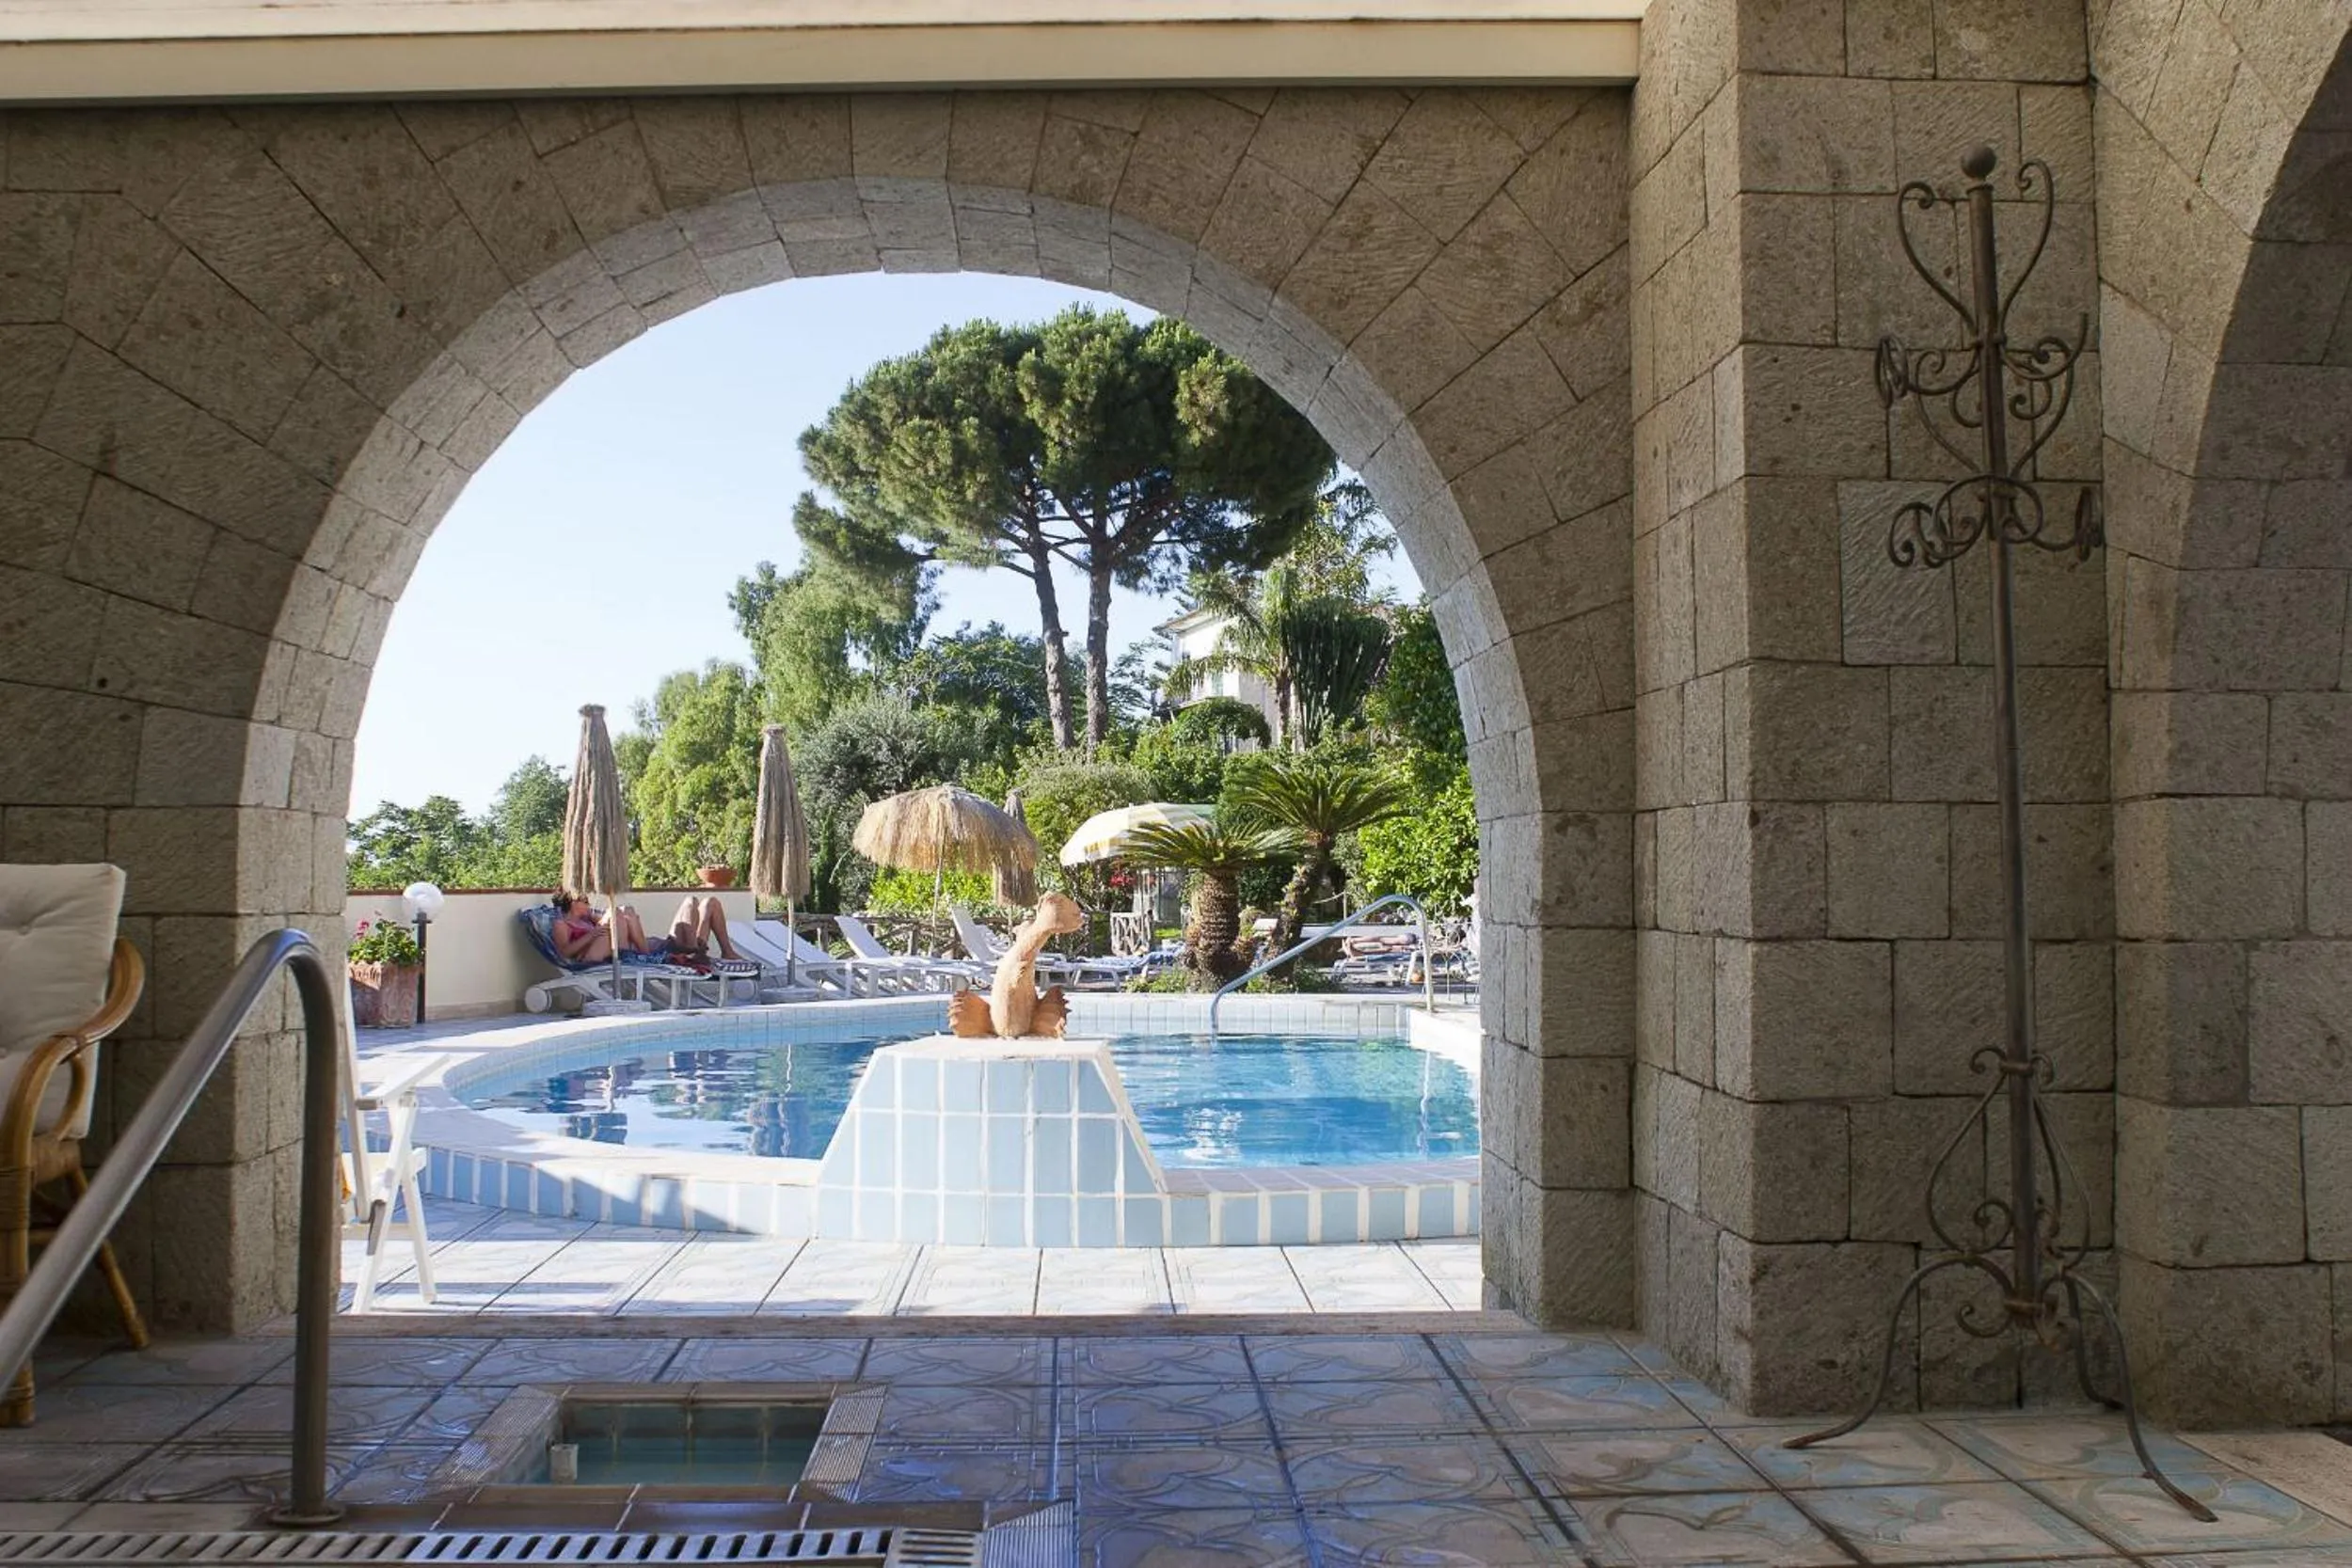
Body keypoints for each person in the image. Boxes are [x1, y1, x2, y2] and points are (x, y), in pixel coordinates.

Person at [550, 890, 660, 964]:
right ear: (573, 903)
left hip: (602, 948)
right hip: (586, 958)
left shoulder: (586, 918)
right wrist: (592, 934)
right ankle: (630, 958)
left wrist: (593, 917)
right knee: (614, 912)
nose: (589, 905)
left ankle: (646, 955)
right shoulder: (562, 924)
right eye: (585, 902)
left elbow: (615, 920)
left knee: (626, 910)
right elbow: (564, 952)